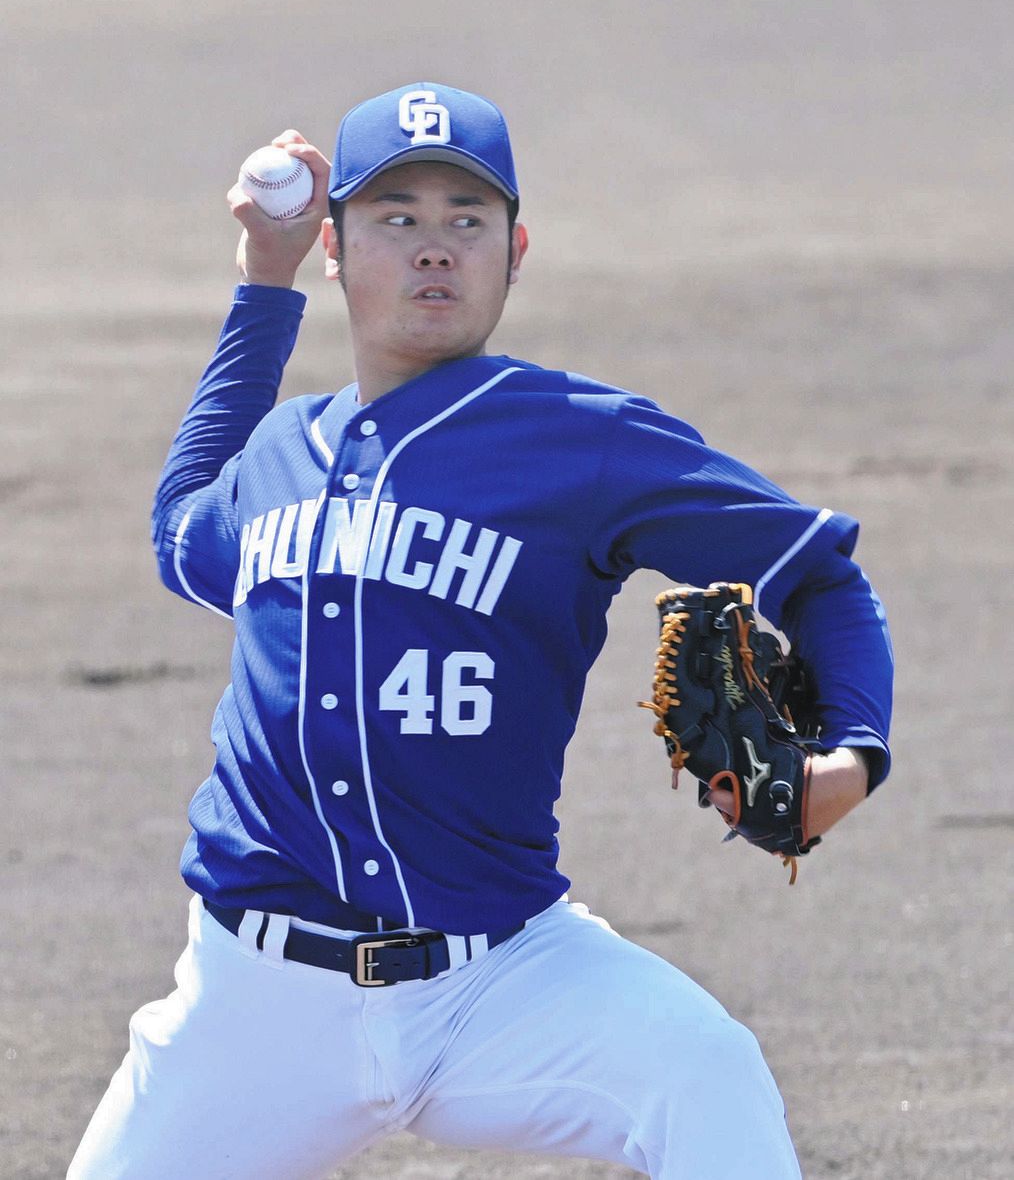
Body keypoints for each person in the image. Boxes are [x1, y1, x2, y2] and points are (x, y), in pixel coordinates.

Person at [69, 83, 892, 1179]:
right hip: (252, 1007)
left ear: (517, 250)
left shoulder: (583, 441)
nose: (434, 249)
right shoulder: (275, 459)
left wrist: (853, 753)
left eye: (468, 218)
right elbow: (182, 534)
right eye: (396, 217)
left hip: (498, 979)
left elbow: (819, 575)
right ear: (335, 247)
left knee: (706, 1069)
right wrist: (260, 287)